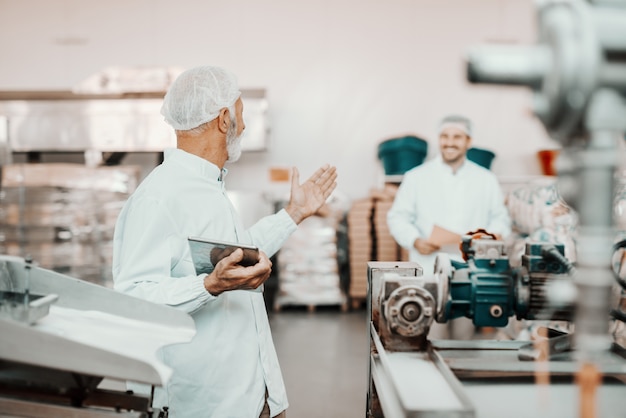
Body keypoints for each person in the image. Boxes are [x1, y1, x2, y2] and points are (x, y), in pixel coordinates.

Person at [112, 66, 337, 418]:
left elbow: (237, 256)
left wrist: (293, 214)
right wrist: (208, 285)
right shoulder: (159, 197)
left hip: (249, 391)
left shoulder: (208, 187)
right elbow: (134, 296)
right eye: (242, 115)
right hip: (209, 402)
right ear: (223, 119)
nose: (243, 126)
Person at [386, 115, 511, 338]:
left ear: (468, 141)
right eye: (444, 136)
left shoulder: (485, 179)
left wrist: (490, 237)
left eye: (457, 137)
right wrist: (415, 240)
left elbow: (501, 218)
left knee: (464, 340)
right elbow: (398, 217)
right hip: (428, 269)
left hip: (470, 272)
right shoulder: (416, 177)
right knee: (428, 335)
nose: (450, 142)